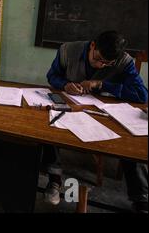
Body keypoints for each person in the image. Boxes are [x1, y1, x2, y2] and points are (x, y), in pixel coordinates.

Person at [45, 30, 148, 212]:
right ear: (93, 45)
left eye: (107, 63)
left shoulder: (125, 61)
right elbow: (52, 76)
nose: (100, 66)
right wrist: (64, 85)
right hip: (72, 106)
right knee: (48, 124)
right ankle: (54, 179)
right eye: (98, 58)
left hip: (106, 112)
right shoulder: (67, 50)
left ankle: (141, 199)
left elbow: (142, 95)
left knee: (133, 137)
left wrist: (101, 84)